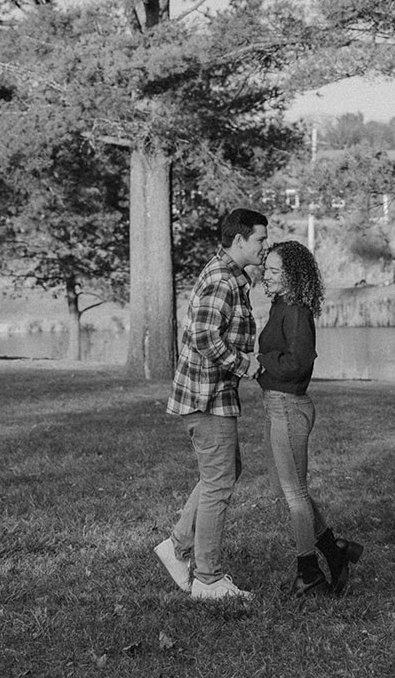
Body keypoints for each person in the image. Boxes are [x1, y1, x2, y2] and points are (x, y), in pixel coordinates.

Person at [154, 207, 268, 602]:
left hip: (212, 394)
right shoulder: (222, 279)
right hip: (207, 397)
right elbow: (203, 335)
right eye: (260, 239)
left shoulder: (230, 275)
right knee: (219, 481)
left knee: (225, 471)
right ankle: (207, 579)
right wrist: (244, 364)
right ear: (239, 240)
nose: (264, 247)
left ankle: (176, 547)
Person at [257, 240, 362, 597]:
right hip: (274, 406)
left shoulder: (297, 311)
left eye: (273, 270)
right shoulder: (280, 306)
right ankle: (335, 551)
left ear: (291, 275)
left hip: (289, 407)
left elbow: (297, 364)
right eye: (266, 269)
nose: (265, 275)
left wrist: (260, 361)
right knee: (284, 488)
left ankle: (308, 571)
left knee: (295, 495)